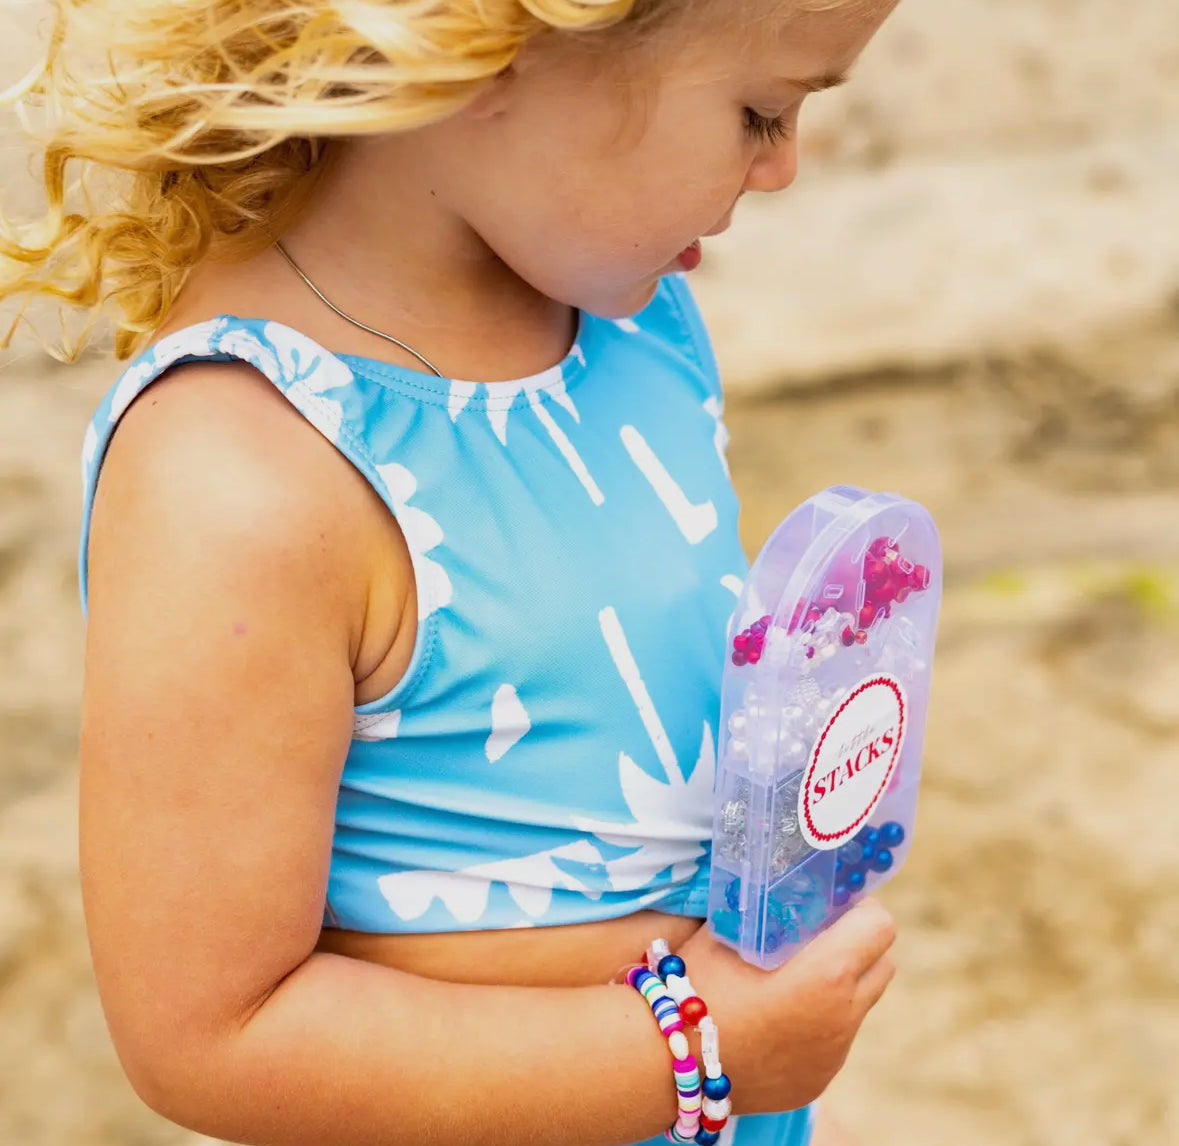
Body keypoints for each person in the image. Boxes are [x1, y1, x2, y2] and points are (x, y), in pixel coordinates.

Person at [1, 1, 901, 1143]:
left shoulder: (635, 322)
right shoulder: (244, 475)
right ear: (494, 51)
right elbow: (208, 1036)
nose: (781, 167)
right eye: (760, 110)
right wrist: (696, 1050)